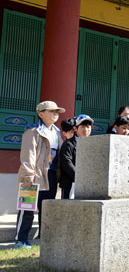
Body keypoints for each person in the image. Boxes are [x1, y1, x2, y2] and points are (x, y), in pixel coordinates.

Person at [14, 101, 64, 249]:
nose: (56, 114)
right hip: (33, 175)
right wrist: (28, 176)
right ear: (41, 114)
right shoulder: (33, 131)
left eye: (57, 111)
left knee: (46, 208)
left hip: (51, 175)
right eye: (51, 111)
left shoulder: (57, 132)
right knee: (27, 208)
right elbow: (27, 155)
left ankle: (43, 238)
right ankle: (21, 239)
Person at [59, 114, 94, 200]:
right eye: (82, 126)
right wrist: (80, 177)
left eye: (88, 126)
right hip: (71, 184)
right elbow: (66, 164)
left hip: (87, 185)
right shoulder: (68, 144)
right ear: (75, 128)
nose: (86, 129)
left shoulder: (93, 144)